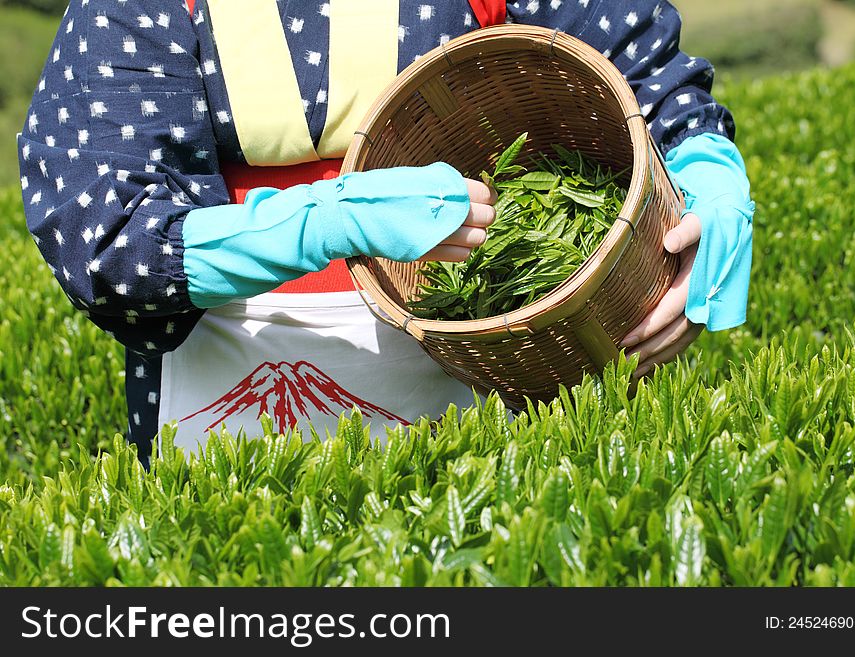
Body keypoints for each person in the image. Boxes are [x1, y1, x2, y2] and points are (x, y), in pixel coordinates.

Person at [18, 0, 753, 464]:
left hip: (490, 383)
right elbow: (111, 245)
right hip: (225, 403)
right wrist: (324, 222)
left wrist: (702, 167)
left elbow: (636, 72)